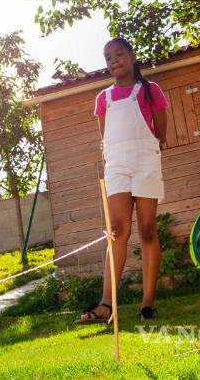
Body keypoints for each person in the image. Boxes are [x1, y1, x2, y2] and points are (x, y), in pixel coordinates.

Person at [78, 38, 169, 324]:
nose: (113, 60)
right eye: (108, 57)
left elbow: (160, 131)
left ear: (131, 56)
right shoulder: (102, 98)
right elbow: (105, 138)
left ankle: (147, 304)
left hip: (145, 162)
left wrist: (148, 150)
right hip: (116, 166)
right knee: (116, 230)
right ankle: (107, 304)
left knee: (147, 230)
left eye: (119, 54)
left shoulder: (150, 91)